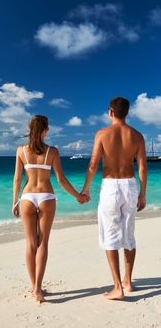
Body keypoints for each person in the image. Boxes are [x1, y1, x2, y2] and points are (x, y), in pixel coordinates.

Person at [12, 115, 88, 303]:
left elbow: (17, 179)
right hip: (46, 197)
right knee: (43, 243)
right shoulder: (52, 151)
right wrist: (78, 196)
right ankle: (38, 288)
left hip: (28, 197)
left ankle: (34, 287)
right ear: (45, 131)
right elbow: (61, 180)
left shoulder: (21, 151)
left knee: (30, 244)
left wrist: (15, 201)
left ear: (31, 130)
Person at [81, 97, 147, 300]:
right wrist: (143, 193)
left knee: (110, 235)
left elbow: (93, 164)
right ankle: (128, 281)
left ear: (110, 112)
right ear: (126, 113)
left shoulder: (102, 134)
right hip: (129, 185)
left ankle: (117, 287)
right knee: (129, 235)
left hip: (110, 186)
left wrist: (86, 188)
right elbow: (142, 167)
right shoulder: (137, 136)